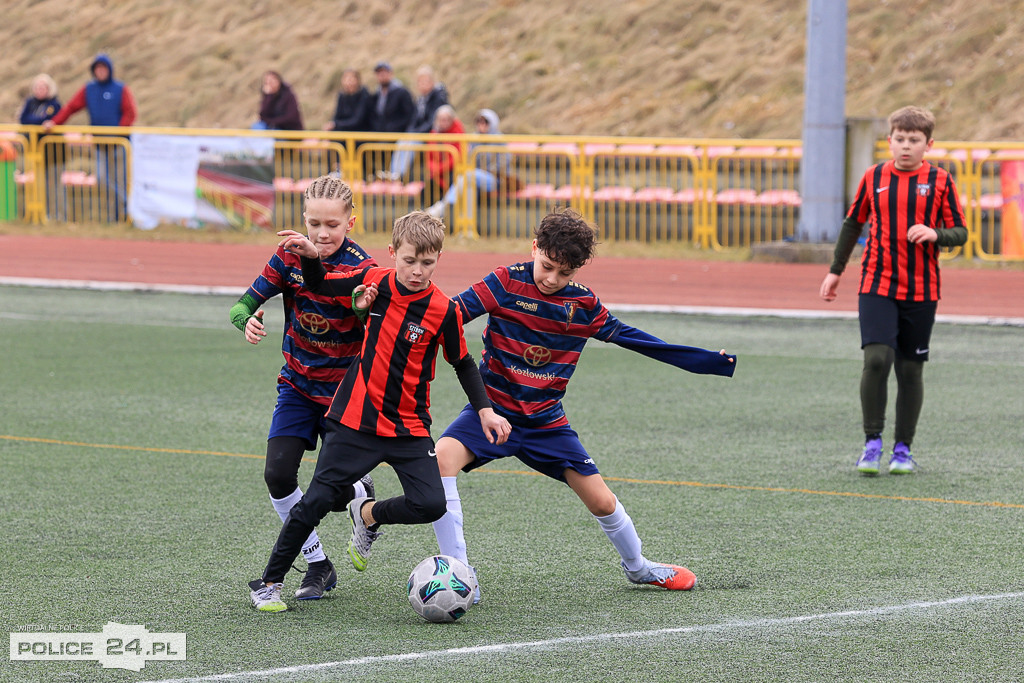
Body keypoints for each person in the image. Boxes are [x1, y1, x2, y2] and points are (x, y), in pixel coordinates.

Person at [430, 209, 737, 601]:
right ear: (534, 247)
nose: (552, 279)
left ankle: (639, 568)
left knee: (602, 501)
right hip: (492, 412)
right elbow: (448, 314)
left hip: (546, 423)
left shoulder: (583, 305)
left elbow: (634, 338)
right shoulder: (505, 282)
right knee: (442, 459)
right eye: (547, 266)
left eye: (564, 273)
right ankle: (460, 573)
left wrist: (705, 360)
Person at [248, 211, 512, 613]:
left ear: (439, 259)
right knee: (316, 501)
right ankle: (269, 583)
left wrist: (485, 411)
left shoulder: (444, 309)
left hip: (409, 427)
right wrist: (311, 257)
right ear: (392, 253)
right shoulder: (374, 283)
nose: (417, 271)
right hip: (355, 420)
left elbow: (462, 362)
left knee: (431, 504)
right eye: (409, 261)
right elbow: (320, 284)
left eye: (427, 263)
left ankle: (368, 514)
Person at [230, 175, 377, 600]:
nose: (322, 233)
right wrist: (247, 320)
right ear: (303, 219)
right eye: (314, 223)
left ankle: (357, 493)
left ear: (351, 222)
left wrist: (362, 308)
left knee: (331, 495)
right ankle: (318, 564)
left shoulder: (363, 268)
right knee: (277, 475)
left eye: (332, 224)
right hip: (296, 385)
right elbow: (242, 305)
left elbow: (369, 322)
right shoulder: (287, 254)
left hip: (344, 395)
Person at [818, 105, 967, 476]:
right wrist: (836, 271)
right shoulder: (874, 176)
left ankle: (903, 449)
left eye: (914, 140)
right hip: (876, 283)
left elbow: (960, 232)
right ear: (889, 141)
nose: (905, 146)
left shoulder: (940, 181)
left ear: (928, 144)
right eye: (900, 139)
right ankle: (872, 443)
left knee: (910, 370)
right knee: (876, 359)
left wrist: (935, 233)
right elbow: (853, 224)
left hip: (922, 289)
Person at [42, 53, 137, 222]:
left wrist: (118, 133)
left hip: (119, 144)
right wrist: (54, 122)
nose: (100, 72)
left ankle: (123, 215)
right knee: (102, 179)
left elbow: (130, 113)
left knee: (120, 180)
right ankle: (113, 214)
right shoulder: (89, 89)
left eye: (103, 68)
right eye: (97, 69)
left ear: (109, 70)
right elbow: (71, 107)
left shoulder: (120, 89)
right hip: (100, 145)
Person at [426, 108, 516, 219]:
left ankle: (442, 207)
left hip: (496, 179)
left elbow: (503, 162)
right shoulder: (474, 139)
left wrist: (484, 169)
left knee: (468, 176)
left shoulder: (499, 139)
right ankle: (467, 224)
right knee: (469, 185)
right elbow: (469, 160)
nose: (482, 124)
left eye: (485, 122)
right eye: (479, 121)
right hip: (475, 177)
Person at [380, 65, 449, 181]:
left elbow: (432, 121)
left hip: (432, 135)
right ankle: (393, 173)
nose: (422, 85)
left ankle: (398, 174)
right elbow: (414, 119)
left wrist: (416, 133)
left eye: (425, 81)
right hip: (420, 133)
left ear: (432, 82)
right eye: (420, 82)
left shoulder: (438, 98)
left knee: (411, 143)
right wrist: (410, 132)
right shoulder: (421, 99)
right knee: (403, 141)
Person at [366, 61, 415, 178]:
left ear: (391, 73)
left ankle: (392, 178)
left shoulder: (402, 92)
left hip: (397, 134)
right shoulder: (376, 94)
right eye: (379, 73)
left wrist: (395, 129)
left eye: (384, 73)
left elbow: (409, 115)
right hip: (380, 134)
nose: (382, 76)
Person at [421, 104, 465, 209]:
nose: (443, 123)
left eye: (446, 120)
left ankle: (444, 211)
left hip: (452, 171)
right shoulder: (434, 133)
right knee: (427, 190)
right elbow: (429, 156)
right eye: (441, 120)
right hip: (437, 173)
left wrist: (439, 169)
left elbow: (456, 157)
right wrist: (433, 168)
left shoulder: (458, 132)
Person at [324, 68, 371, 133]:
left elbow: (357, 120)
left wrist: (336, 124)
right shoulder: (341, 96)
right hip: (344, 132)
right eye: (346, 79)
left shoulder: (364, 95)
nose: (349, 82)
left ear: (357, 80)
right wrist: (332, 124)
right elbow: (336, 117)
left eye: (351, 79)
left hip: (361, 133)